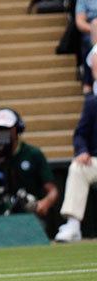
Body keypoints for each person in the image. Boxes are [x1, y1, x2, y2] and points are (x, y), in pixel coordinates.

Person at [56, 93, 97, 242]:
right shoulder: (93, 103)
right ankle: (73, 225)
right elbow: (80, 135)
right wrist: (82, 151)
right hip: (95, 161)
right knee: (77, 168)